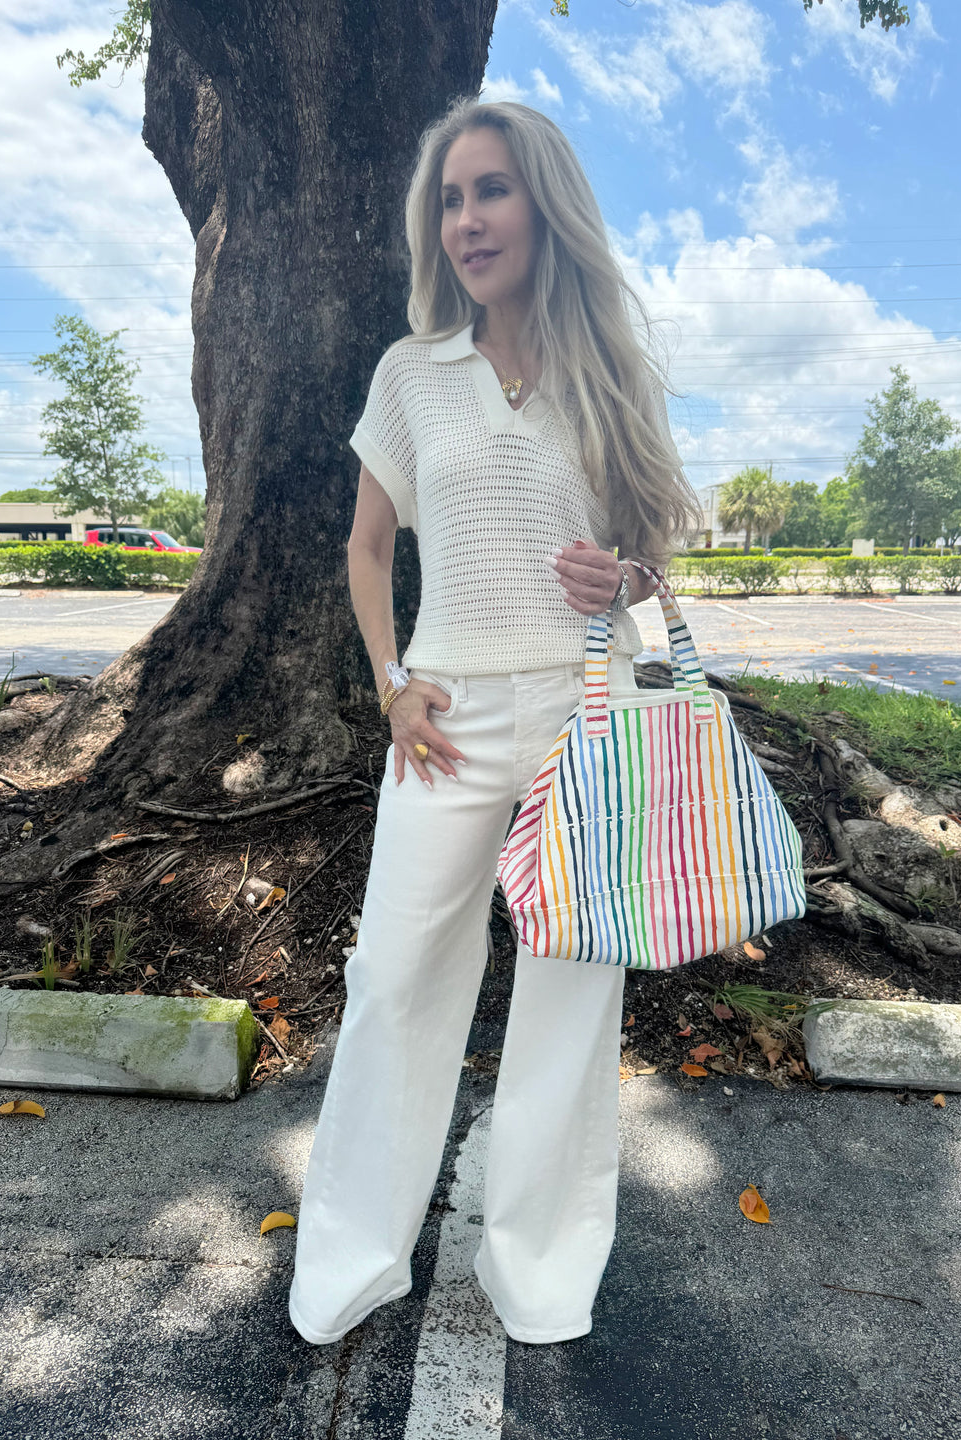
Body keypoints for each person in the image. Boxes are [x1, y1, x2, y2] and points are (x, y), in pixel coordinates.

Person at [288, 97, 701, 1347]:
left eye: (492, 192)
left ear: (545, 205)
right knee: (395, 976)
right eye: (451, 199)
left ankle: (539, 1271)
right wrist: (385, 682)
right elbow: (369, 550)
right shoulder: (413, 372)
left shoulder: (610, 367)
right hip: (447, 711)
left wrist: (620, 579)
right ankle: (353, 1257)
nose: (467, 219)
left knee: (572, 997)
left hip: (589, 710)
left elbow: (653, 566)